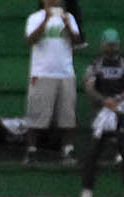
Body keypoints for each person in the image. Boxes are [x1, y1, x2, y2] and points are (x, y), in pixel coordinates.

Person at [79, 29, 124, 197]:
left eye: (114, 45)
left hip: (121, 109)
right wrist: (103, 100)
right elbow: (89, 86)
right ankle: (87, 190)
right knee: (92, 151)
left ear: (118, 45)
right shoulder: (95, 64)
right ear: (102, 45)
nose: (111, 48)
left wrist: (119, 98)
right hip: (101, 112)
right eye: (108, 45)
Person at [25, 0, 84, 165]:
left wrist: (68, 25)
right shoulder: (35, 18)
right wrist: (46, 20)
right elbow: (30, 40)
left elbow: (77, 41)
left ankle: (68, 150)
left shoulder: (69, 17)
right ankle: (31, 151)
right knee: (36, 114)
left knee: (67, 116)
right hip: (42, 72)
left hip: (65, 72)